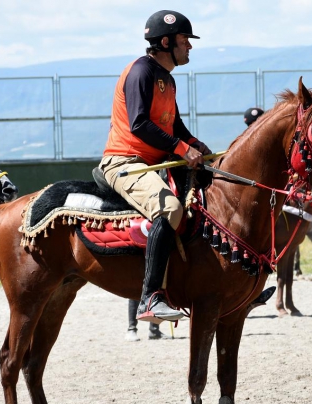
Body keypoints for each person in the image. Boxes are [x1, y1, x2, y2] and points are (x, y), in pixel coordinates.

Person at [99, 10, 211, 324]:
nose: (189, 46)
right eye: (184, 40)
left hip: (154, 162)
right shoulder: (140, 73)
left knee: (210, 194)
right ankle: (151, 298)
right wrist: (180, 147)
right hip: (125, 163)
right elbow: (139, 125)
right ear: (165, 42)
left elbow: (176, 128)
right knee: (171, 210)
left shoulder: (169, 80)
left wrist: (197, 146)